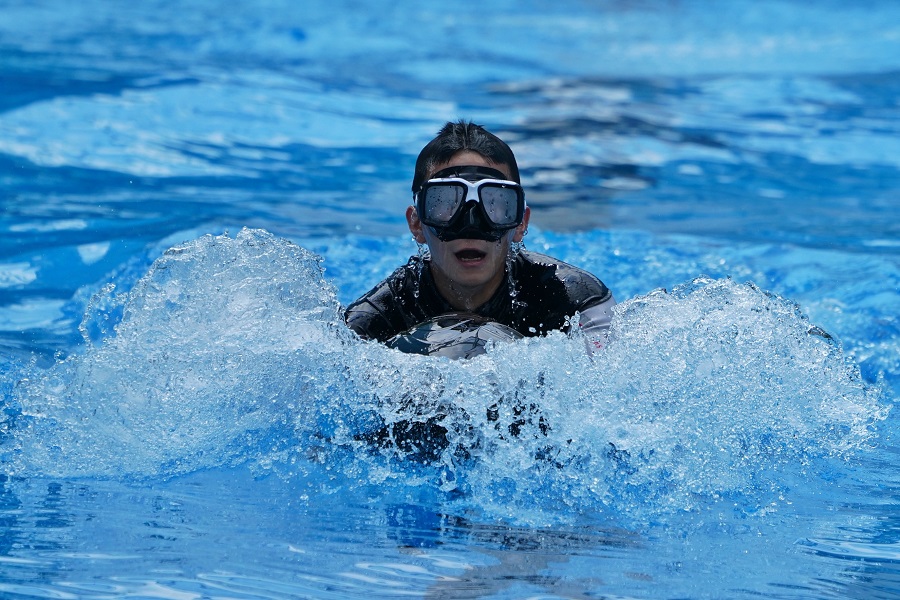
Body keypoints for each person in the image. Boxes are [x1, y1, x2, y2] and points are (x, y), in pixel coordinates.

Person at [345, 119, 616, 350]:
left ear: (521, 223)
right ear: (416, 224)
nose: (472, 225)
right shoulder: (376, 320)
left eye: (495, 204)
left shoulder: (577, 301)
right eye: (444, 204)